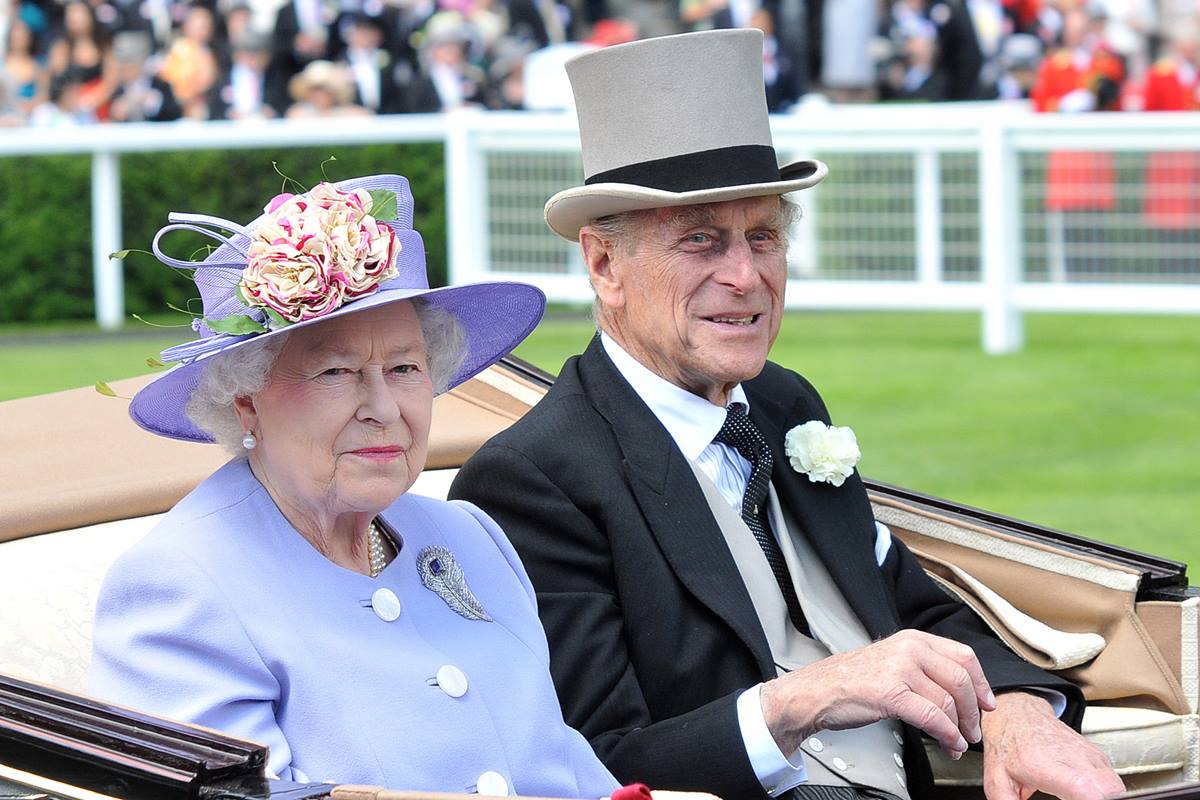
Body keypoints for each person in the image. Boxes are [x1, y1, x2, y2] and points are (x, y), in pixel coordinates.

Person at [449, 30, 1126, 800]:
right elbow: (595, 764)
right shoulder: (534, 479)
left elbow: (906, 601)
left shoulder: (783, 404)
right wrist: (810, 697)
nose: (746, 276)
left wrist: (1022, 710)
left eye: (763, 236)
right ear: (604, 265)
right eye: (701, 241)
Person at [88, 174, 619, 798]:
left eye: (404, 368)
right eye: (336, 371)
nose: (384, 407)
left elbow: (558, 761)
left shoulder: (470, 535)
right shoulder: (179, 585)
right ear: (245, 401)